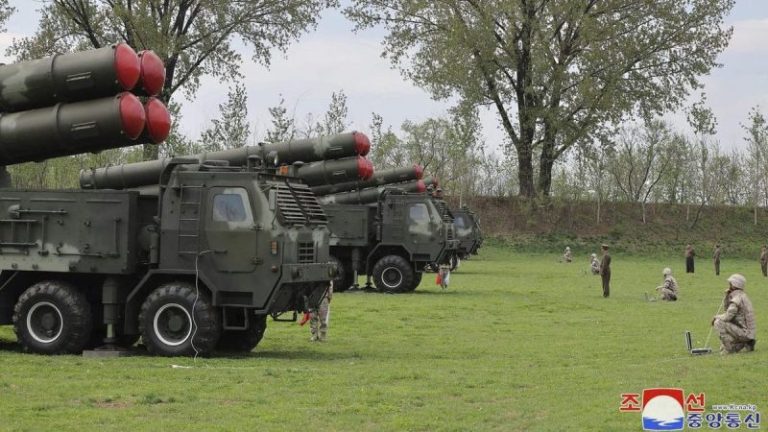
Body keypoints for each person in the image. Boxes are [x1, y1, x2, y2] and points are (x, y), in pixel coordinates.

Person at [712, 274, 756, 354]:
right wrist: (727, 296)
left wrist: (716, 317)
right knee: (722, 323)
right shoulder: (743, 296)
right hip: (748, 333)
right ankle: (744, 343)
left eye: (730, 284)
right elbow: (727, 310)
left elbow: (727, 317)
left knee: (718, 322)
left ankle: (729, 349)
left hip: (744, 333)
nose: (729, 286)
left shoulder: (737, 299)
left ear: (734, 285)